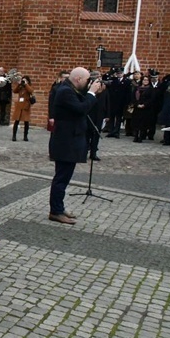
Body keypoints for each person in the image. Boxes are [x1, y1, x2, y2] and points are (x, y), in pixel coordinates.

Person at [48, 67, 103, 224]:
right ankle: (55, 211)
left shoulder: (70, 89)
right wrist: (92, 93)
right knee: (61, 177)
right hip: (65, 142)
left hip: (70, 141)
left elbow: (83, 102)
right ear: (78, 79)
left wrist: (94, 92)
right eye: (86, 81)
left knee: (64, 177)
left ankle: (59, 207)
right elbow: (81, 108)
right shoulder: (65, 91)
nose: (87, 84)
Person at [105, 67, 130, 138]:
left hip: (121, 102)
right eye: (118, 73)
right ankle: (111, 131)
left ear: (123, 73)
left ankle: (116, 132)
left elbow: (128, 93)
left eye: (120, 73)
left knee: (119, 118)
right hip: (113, 102)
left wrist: (127, 102)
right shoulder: (113, 80)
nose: (119, 74)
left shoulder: (127, 81)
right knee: (111, 117)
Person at [132, 75, 155, 143]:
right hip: (137, 108)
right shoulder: (137, 88)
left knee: (143, 124)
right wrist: (137, 104)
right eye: (144, 80)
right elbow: (133, 97)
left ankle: (141, 137)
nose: (145, 81)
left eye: (147, 80)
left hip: (146, 109)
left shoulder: (151, 89)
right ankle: (136, 136)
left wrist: (144, 105)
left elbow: (152, 99)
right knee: (136, 123)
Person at [11, 75, 33, 141]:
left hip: (26, 105)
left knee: (26, 122)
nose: (23, 81)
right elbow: (14, 91)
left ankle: (25, 136)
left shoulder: (28, 86)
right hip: (19, 105)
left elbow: (31, 91)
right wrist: (19, 84)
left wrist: (26, 84)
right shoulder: (20, 87)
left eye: (25, 80)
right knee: (16, 121)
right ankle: (14, 135)